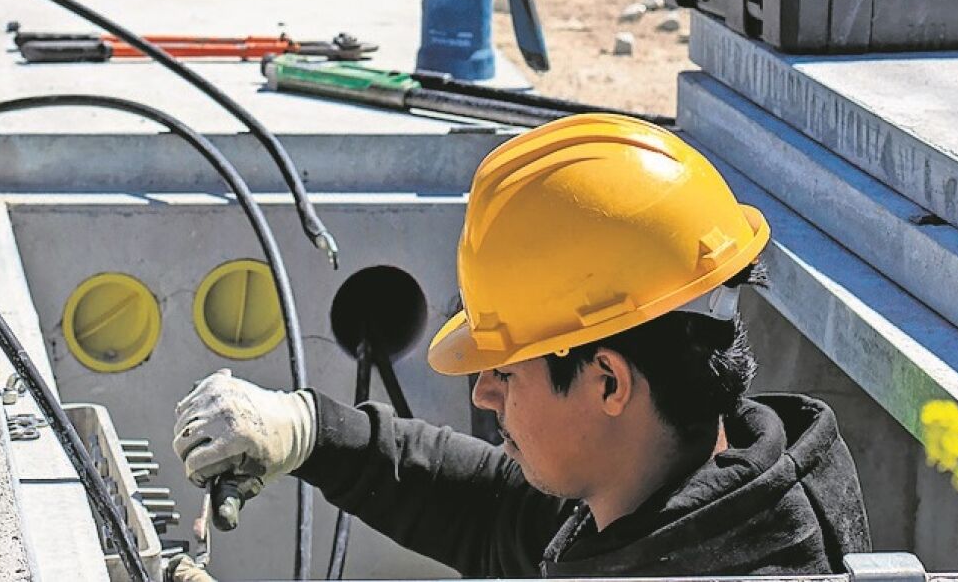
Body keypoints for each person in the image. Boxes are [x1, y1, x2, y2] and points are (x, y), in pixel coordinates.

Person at [172, 114, 873, 578]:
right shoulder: (691, 492)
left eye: (506, 370)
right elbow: (494, 514)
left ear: (607, 382)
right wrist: (311, 431)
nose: (483, 393)